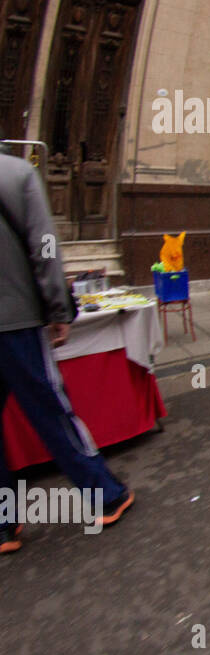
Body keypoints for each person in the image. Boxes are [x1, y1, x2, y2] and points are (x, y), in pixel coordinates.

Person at [0, 153, 134, 554]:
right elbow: (44, 247)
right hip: (15, 319)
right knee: (50, 409)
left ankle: (3, 524)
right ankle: (106, 494)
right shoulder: (17, 173)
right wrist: (60, 309)